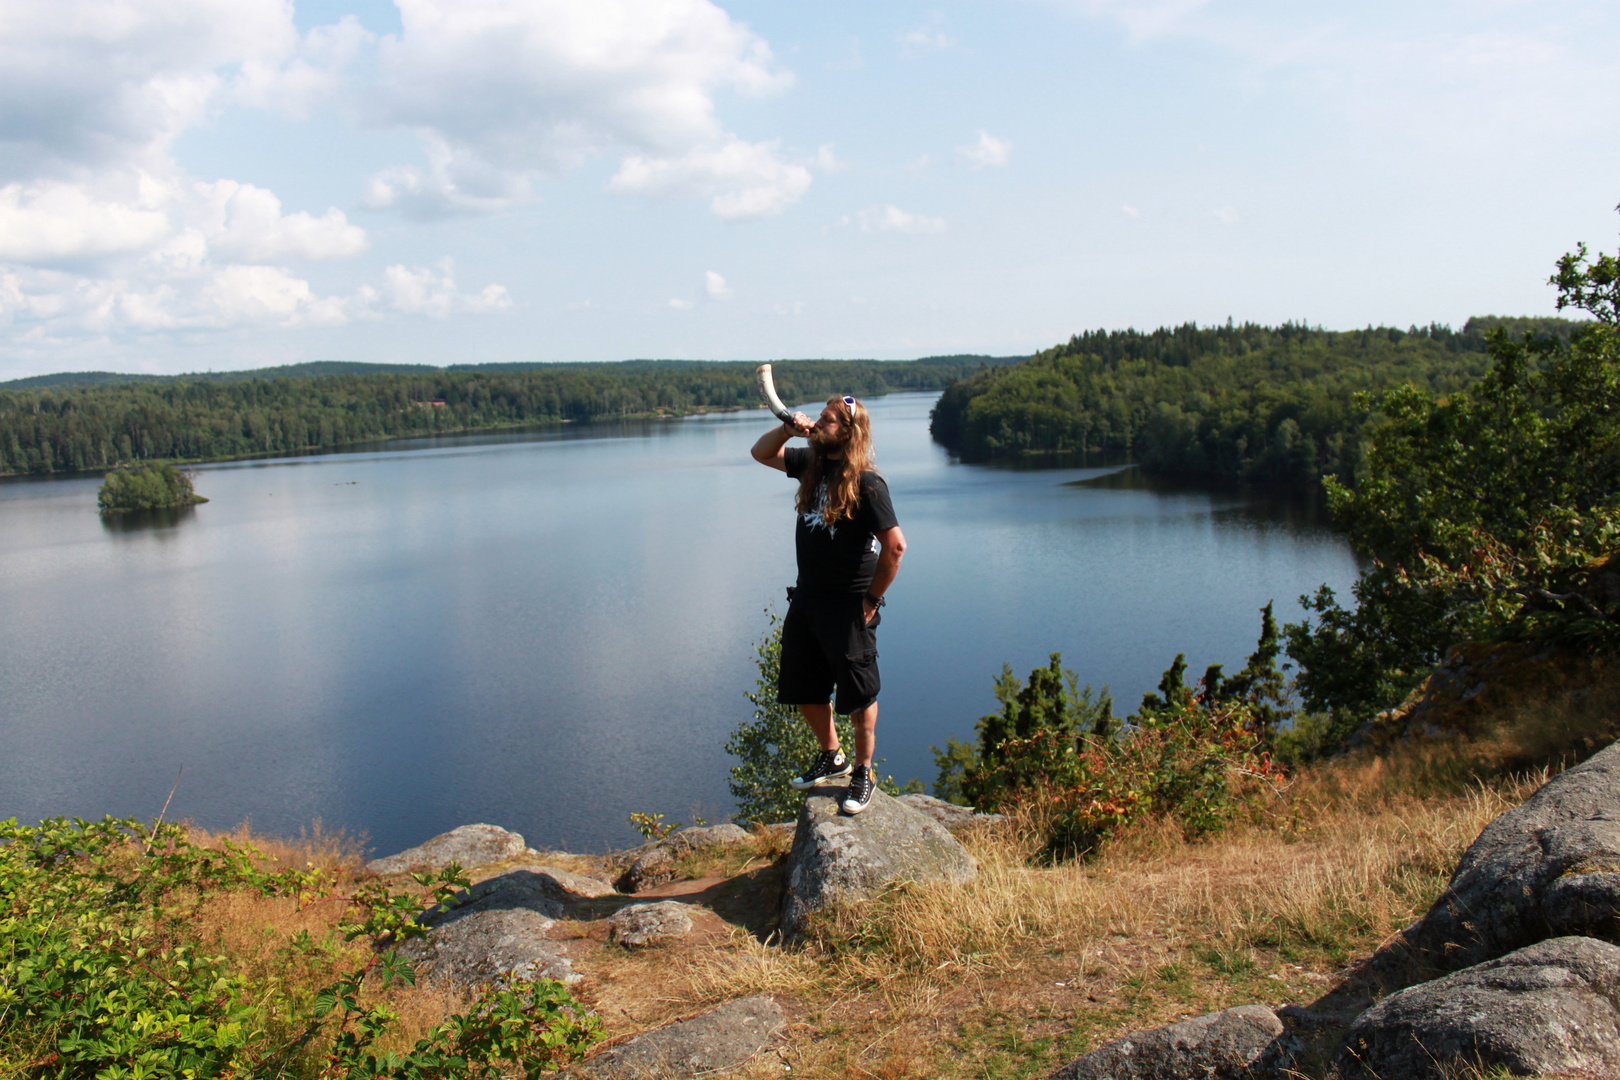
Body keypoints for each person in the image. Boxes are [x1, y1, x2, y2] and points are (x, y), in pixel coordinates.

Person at [750, 395, 906, 814]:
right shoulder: (812, 466)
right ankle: (831, 754)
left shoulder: (868, 484)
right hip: (808, 600)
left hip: (848, 607)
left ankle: (863, 773)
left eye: (828, 420)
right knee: (803, 686)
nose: (819, 423)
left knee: (858, 695)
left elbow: (895, 547)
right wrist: (788, 427)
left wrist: (872, 600)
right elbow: (760, 453)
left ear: (849, 432)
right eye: (819, 416)